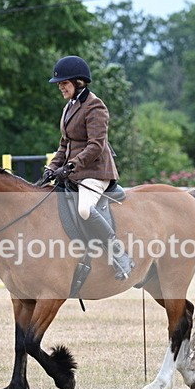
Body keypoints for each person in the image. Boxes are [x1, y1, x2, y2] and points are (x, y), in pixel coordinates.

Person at [40, 55, 134, 281]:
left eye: (64, 83)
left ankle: (119, 254)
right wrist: (52, 167)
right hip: (75, 173)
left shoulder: (94, 106)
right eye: (59, 84)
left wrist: (71, 166)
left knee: (84, 209)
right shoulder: (69, 107)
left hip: (95, 172)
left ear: (78, 82)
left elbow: (96, 145)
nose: (60, 87)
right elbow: (64, 145)